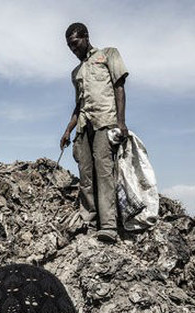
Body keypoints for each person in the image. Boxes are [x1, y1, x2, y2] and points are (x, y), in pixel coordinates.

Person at [60, 22, 129, 243]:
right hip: (83, 126)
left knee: (104, 172)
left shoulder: (108, 55)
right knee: (86, 175)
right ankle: (88, 221)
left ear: (86, 37)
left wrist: (121, 122)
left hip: (104, 122)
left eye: (75, 43)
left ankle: (108, 226)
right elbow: (78, 105)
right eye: (69, 47)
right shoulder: (76, 72)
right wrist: (67, 131)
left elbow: (119, 87)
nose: (73, 49)